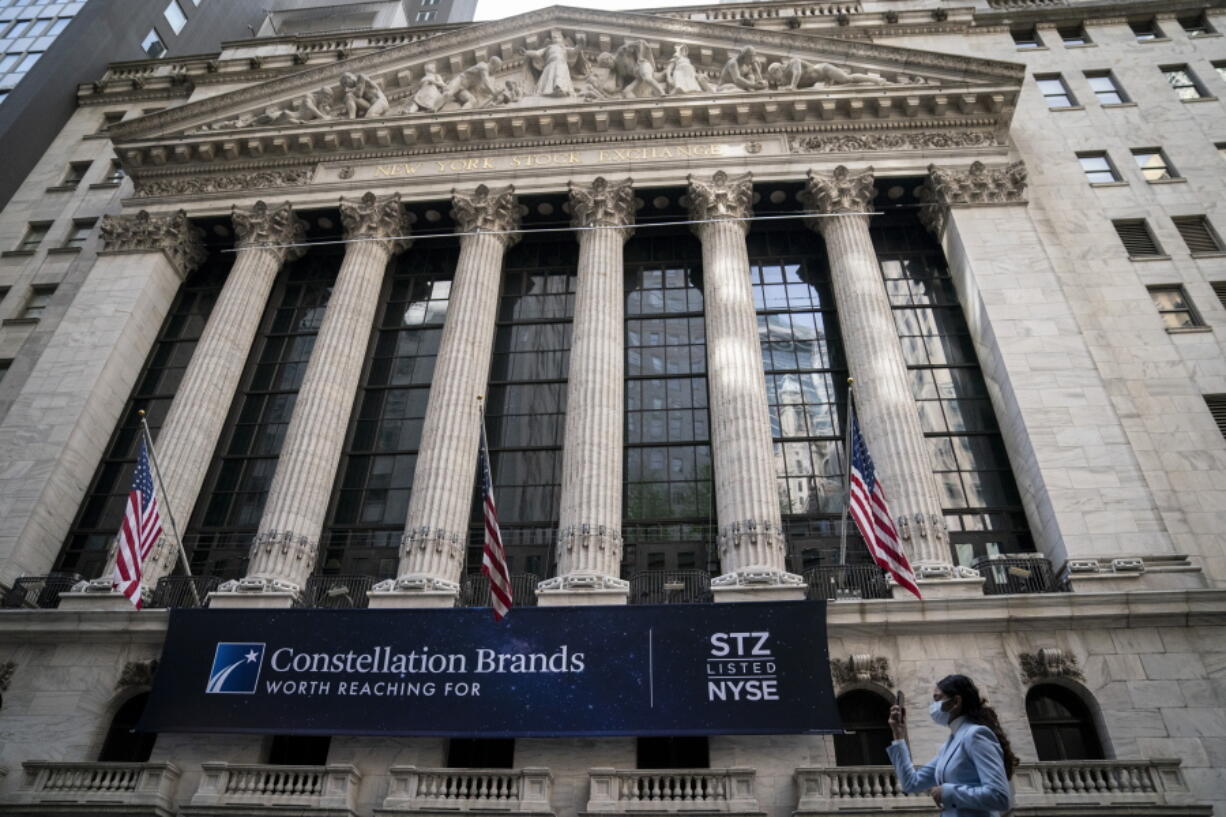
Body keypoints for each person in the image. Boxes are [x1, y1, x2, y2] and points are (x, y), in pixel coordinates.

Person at [886, 675, 1016, 815]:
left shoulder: (976, 734)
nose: (933, 706)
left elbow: (1000, 797)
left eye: (938, 698)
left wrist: (949, 792)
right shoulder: (949, 745)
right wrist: (898, 735)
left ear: (956, 701)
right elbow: (911, 783)